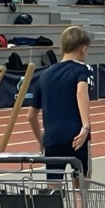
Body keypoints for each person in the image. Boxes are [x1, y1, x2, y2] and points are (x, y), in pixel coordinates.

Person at [29, 25, 92, 177]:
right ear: (83, 49)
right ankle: (79, 193)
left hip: (52, 138)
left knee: (53, 185)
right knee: (82, 182)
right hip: (77, 137)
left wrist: (41, 140)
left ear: (62, 48)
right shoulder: (82, 69)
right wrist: (85, 127)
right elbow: (81, 92)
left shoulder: (44, 75)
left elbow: (30, 116)